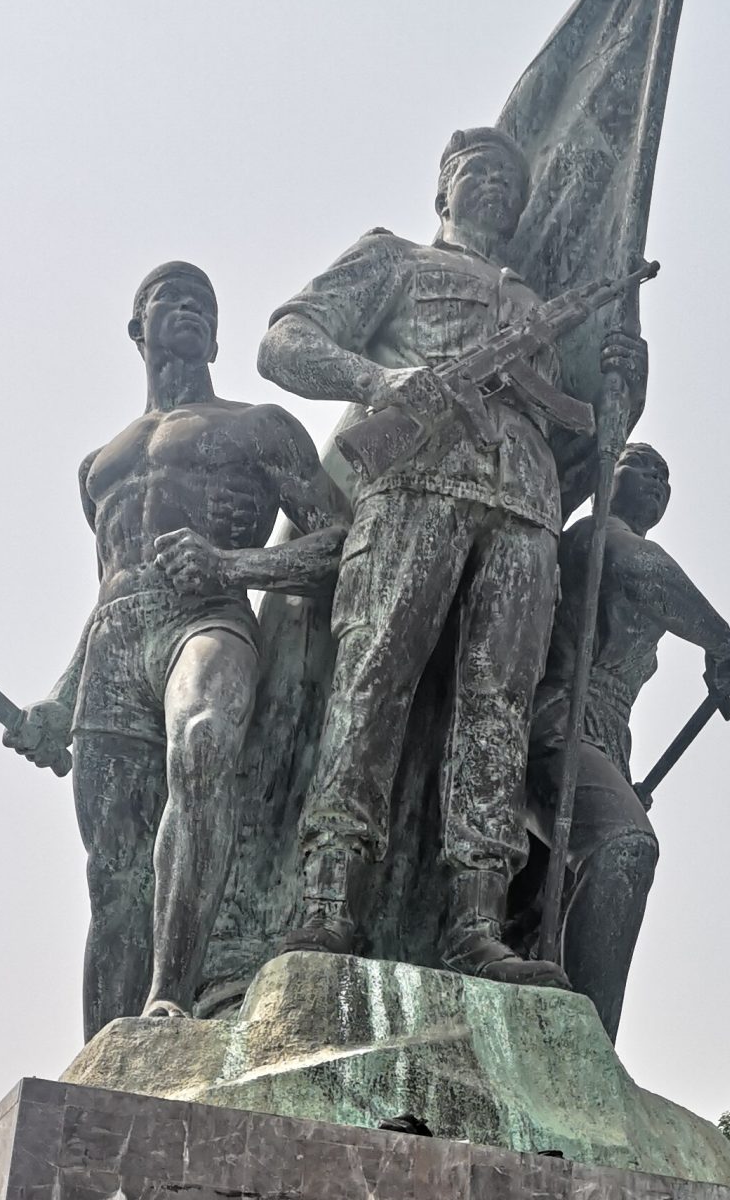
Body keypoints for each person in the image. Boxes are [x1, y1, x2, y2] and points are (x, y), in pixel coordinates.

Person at [251, 126, 647, 986]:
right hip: (415, 484)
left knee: (495, 710)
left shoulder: (535, 304)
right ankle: (328, 900)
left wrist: (622, 383)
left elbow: (585, 444)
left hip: (524, 508)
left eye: (512, 177)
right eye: (478, 170)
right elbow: (283, 339)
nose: (498, 185)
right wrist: (375, 381)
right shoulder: (395, 259)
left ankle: (476, 921)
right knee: (374, 682)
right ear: (442, 190)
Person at [6, 262, 343, 1036]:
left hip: (210, 617)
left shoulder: (259, 425)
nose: (189, 309)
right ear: (138, 329)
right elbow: (107, 590)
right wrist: (61, 697)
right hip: (115, 648)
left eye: (204, 304)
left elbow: (343, 549)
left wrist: (234, 566)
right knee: (113, 876)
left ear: (218, 335)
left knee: (203, 742)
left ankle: (171, 996)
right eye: (171, 298)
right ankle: (105, 1058)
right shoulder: (99, 467)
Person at [525, 443, 730, 1040]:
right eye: (642, 468)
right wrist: (722, 642)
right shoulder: (593, 540)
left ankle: (556, 1036)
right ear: (610, 474)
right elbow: (645, 572)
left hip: (605, 738)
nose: (658, 481)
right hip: (556, 721)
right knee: (625, 845)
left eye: (667, 477)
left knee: (538, 914)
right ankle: (588, 1048)